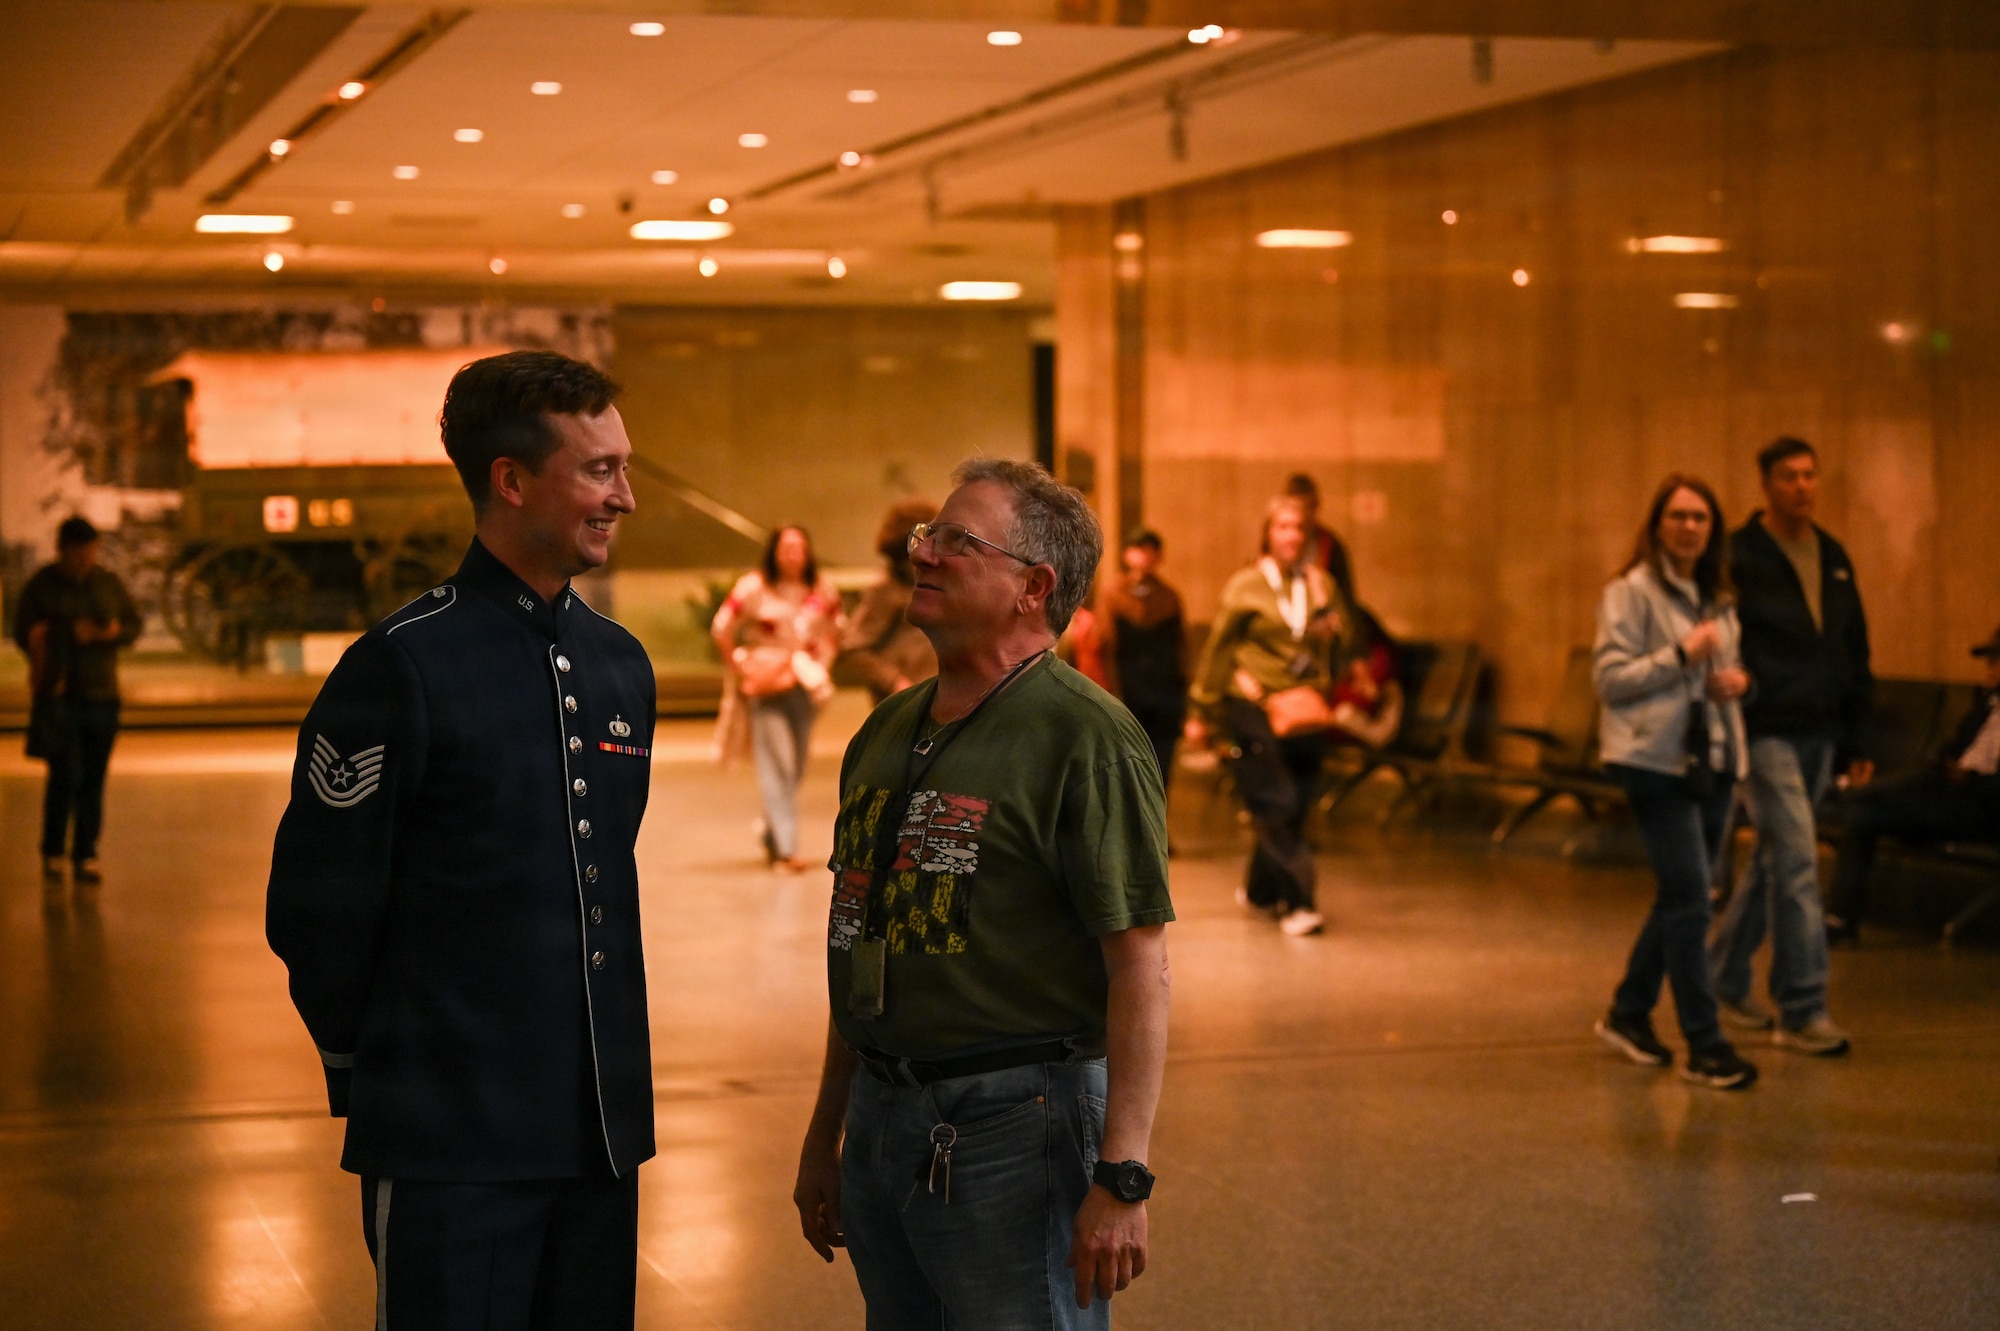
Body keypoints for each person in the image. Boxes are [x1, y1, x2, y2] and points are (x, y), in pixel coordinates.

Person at [266, 350, 658, 1330]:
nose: (627, 495)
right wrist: (377, 1077)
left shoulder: (619, 665)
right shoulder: (401, 663)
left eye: (624, 465)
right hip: (449, 1139)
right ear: (511, 479)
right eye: (599, 470)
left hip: (598, 1136)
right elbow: (319, 903)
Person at [792, 458, 1173, 1330]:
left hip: (1016, 1125)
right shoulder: (888, 728)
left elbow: (1140, 966)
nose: (925, 552)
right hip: (886, 1117)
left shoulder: (1086, 736)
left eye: (958, 541)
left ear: (1032, 586)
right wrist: (828, 1129)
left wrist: (1123, 1173)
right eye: (930, 534)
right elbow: (858, 939)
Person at [1591, 474, 1760, 1091]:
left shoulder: (1716, 595)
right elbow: (1610, 680)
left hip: (1712, 758)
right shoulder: (1629, 593)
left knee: (1681, 896)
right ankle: (1705, 1044)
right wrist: (1679, 657)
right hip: (1653, 761)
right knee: (1691, 898)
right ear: (1657, 525)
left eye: (1700, 518)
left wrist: (1742, 682)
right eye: (1678, 517)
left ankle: (1629, 1013)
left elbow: (1732, 666)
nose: (1689, 528)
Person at [1708, 437, 1868, 1056]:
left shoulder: (1832, 554)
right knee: (1799, 859)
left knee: (1777, 857)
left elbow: (1854, 645)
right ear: (1766, 484)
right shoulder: (1742, 556)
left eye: (1810, 475)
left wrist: (1857, 731)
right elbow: (1725, 640)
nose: (1803, 486)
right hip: (1765, 726)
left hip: (1820, 729)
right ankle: (1802, 1007)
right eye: (1789, 477)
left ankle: (1722, 972)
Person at [1186, 494, 1346, 938]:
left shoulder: (1320, 584)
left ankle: (1259, 891)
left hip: (1303, 707)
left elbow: (1343, 643)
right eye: (1283, 527)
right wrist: (1203, 708)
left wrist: (1330, 617)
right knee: (1275, 800)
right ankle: (1300, 902)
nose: (1292, 535)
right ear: (1268, 535)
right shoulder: (1246, 586)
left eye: (1299, 528)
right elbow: (1218, 650)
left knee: (1296, 803)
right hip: (1252, 705)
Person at [1826, 626, 2000, 935]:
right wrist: (1946, 763)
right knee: (1865, 816)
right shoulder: (1987, 707)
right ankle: (1839, 918)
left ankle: (1838, 796)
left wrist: (1970, 780)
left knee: (1886, 794)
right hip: (1952, 793)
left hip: (1983, 807)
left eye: (1996, 662)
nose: (1989, 670)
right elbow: (1956, 746)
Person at [11, 515, 140, 887]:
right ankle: (52, 850)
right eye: (77, 552)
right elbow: (24, 633)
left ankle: (86, 853)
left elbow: (133, 624)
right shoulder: (43, 586)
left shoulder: (107, 583)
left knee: (94, 781)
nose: (84, 559)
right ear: (62, 550)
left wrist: (111, 633)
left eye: (90, 551)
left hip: (103, 695)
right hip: (61, 698)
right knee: (66, 775)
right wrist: (66, 635)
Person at [712, 526, 844, 873]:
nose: (793, 555)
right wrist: (738, 666)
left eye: (799, 548)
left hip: (805, 683)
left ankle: (772, 832)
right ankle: (787, 849)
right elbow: (722, 626)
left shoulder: (820, 589)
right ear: (773, 552)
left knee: (797, 764)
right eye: (786, 548)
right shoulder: (754, 587)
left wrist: (821, 662)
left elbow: (837, 628)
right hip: (767, 684)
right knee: (778, 763)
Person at [1104, 529, 1188, 801]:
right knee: (1126, 766)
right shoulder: (1114, 595)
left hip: (1165, 695)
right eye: (1139, 549)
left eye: (1152, 550)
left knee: (1161, 768)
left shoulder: (1168, 597)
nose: (1145, 556)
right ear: (1127, 554)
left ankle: (1157, 832)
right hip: (1125, 693)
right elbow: (1103, 645)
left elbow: (1181, 650)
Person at [840, 498, 940, 704]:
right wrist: (894, 681)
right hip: (903, 700)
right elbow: (855, 646)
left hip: (936, 694)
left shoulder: (936, 581)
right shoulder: (885, 588)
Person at [1282, 472, 1357, 611]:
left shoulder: (1330, 546)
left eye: (1308, 507)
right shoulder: (1269, 551)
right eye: (1284, 527)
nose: (1303, 515)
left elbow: (1346, 600)